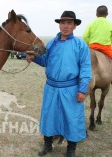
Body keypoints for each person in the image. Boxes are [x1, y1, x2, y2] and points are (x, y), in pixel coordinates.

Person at [26, 11, 92, 157]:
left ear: (75, 26)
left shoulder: (80, 45)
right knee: (49, 115)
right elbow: (45, 61)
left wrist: (82, 89)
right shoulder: (52, 44)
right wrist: (34, 58)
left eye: (69, 23)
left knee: (72, 117)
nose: (65, 26)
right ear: (59, 25)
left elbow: (86, 69)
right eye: (63, 23)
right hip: (51, 88)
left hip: (71, 88)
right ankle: (48, 145)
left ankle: (71, 149)